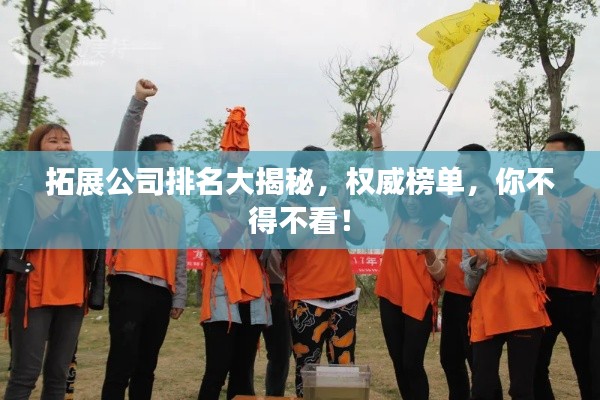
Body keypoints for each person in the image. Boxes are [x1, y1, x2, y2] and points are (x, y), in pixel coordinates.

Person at [1, 123, 105, 399]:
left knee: (59, 375)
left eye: (66, 141)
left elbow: (95, 243)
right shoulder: (24, 190)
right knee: (25, 375)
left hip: (73, 292)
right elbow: (18, 242)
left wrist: (81, 219)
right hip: (34, 290)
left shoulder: (85, 191)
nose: (62, 146)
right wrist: (59, 216)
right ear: (38, 150)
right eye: (53, 141)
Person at [101, 79, 187, 400]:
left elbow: (180, 255)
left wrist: (179, 296)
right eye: (166, 156)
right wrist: (138, 102)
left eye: (173, 156)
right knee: (121, 364)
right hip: (130, 285)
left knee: (146, 367)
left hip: (161, 293)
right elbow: (124, 149)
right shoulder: (129, 188)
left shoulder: (176, 206)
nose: (172, 161)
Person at [367, 112, 448, 399]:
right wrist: (378, 141)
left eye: (418, 196)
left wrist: (429, 255)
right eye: (407, 195)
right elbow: (380, 178)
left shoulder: (441, 229)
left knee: (412, 363)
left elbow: (442, 274)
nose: (411, 201)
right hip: (390, 297)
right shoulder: (396, 216)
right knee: (398, 362)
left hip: (419, 302)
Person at [274, 146, 365, 397]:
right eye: (318, 166)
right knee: (307, 367)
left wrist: (346, 206)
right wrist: (324, 210)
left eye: (326, 166)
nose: (325, 171)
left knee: (343, 364)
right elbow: (288, 242)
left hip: (344, 296)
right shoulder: (288, 206)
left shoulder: (336, 202)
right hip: (307, 299)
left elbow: (358, 236)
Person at [521, 132, 597, 400]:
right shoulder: (533, 195)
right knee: (534, 368)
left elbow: (596, 249)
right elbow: (516, 240)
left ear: (575, 160)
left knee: (588, 369)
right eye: (545, 155)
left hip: (581, 297)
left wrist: (569, 229)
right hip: (541, 295)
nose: (546, 160)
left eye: (554, 155)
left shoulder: (593, 196)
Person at [461, 173, 550, 400]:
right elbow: (470, 286)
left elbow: (540, 252)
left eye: (481, 191)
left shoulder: (520, 219)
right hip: (487, 314)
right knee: (481, 389)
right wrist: (478, 264)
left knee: (521, 390)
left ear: (493, 191)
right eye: (470, 196)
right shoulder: (470, 236)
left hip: (522, 310)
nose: (477, 199)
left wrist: (501, 246)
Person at [197, 176, 271, 400]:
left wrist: (253, 220)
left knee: (243, 375)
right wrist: (241, 220)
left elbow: (263, 253)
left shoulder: (253, 221)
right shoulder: (207, 219)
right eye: (228, 186)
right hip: (223, 305)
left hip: (253, 302)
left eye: (239, 187)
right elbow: (218, 249)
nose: (235, 191)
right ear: (218, 194)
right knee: (217, 371)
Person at [440, 143, 504, 400]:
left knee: (480, 365)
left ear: (482, 169)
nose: (456, 170)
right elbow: (439, 202)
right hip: (453, 291)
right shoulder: (462, 200)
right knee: (450, 359)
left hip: (477, 295)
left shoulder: (494, 204)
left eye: (462, 166)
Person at [257, 165, 292, 396]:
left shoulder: (286, 211)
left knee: (281, 352)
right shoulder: (247, 211)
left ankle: (274, 395)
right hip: (252, 289)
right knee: (244, 353)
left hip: (280, 289)